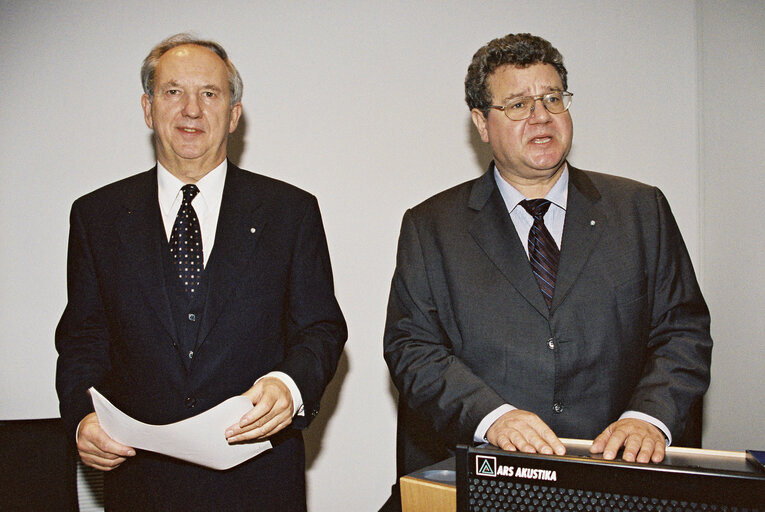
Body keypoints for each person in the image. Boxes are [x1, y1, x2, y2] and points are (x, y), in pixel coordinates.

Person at [381, 33, 711, 510]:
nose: (541, 116)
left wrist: (649, 417)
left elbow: (684, 331)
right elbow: (412, 348)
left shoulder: (641, 210)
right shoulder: (431, 226)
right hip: (489, 478)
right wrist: (491, 417)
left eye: (552, 98)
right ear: (481, 122)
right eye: (518, 104)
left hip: (617, 478)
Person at [55, 33, 347, 511]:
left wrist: (289, 387)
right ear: (148, 108)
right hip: (140, 483)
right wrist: (83, 418)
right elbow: (83, 338)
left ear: (233, 114)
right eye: (173, 92)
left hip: (261, 482)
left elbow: (320, 327)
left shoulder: (290, 211)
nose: (191, 110)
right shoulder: (97, 216)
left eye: (209, 94)